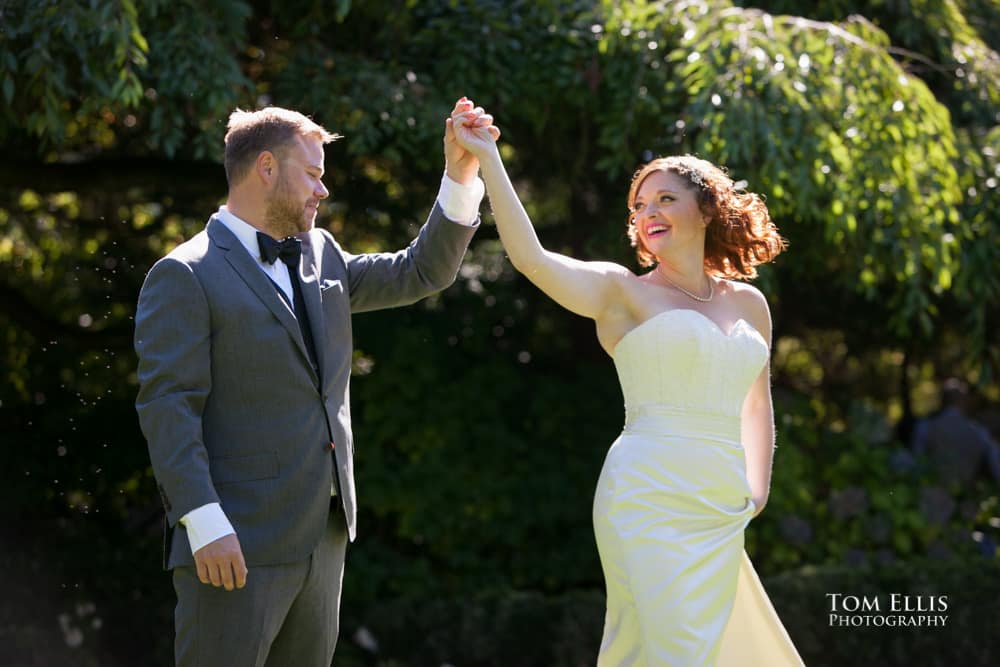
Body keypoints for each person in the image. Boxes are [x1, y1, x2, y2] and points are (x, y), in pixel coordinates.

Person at [134, 99, 497, 667]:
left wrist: (460, 173)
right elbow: (168, 407)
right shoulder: (185, 274)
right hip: (233, 541)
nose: (323, 191)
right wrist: (202, 521)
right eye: (314, 174)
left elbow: (421, 271)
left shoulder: (321, 254)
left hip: (323, 540)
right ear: (267, 169)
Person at [449, 111, 804, 665]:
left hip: (718, 503)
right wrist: (489, 160)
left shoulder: (748, 304)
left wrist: (757, 492)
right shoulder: (623, 292)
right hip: (646, 494)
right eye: (638, 206)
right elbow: (532, 259)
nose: (647, 213)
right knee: (676, 648)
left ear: (706, 207)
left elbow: (757, 405)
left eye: (663, 199)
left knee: (711, 649)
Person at [912, 378, 1000, 486]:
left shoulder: (925, 427)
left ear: (942, 401)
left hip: (930, 495)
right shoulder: (978, 432)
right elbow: (996, 465)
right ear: (963, 401)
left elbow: (917, 462)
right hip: (965, 497)